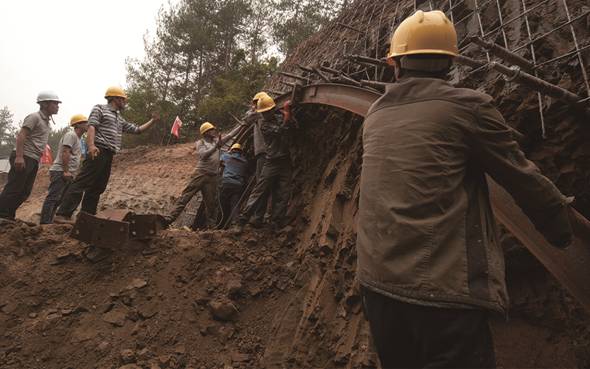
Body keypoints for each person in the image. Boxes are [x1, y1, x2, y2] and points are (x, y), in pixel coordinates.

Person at [357, 10, 573, 369]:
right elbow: (520, 176)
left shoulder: (376, 113)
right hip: (442, 297)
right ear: (450, 63)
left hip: (376, 286)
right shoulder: (468, 106)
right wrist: (560, 227)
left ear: (395, 63)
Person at [53, 86, 160, 222]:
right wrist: (91, 145)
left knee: (97, 187)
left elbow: (136, 130)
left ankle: (87, 217)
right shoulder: (100, 109)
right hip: (98, 150)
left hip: (109, 153)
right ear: (115, 99)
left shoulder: (119, 118)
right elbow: (92, 127)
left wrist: (152, 121)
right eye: (123, 100)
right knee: (82, 182)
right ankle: (63, 214)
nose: (125, 103)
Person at [163, 121, 244, 228]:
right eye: (211, 130)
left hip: (212, 176)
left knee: (211, 204)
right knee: (186, 197)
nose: (214, 131)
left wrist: (243, 125)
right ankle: (169, 219)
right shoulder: (200, 143)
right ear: (205, 133)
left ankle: (211, 227)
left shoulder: (216, 141)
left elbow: (230, 135)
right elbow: (203, 155)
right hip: (200, 174)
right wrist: (216, 147)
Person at [236, 95, 294, 230]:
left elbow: (294, 126)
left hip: (285, 160)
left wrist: (289, 114)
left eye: (267, 111)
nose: (265, 114)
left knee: (284, 192)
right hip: (272, 162)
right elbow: (281, 131)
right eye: (263, 112)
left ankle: (276, 222)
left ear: (273, 109)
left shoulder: (279, 117)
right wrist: (287, 114)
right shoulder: (265, 125)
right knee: (259, 190)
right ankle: (243, 220)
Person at [0, 91, 60, 221]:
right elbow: (22, 135)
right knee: (14, 188)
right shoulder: (34, 117)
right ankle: (2, 215)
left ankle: (8, 215)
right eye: (55, 103)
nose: (57, 106)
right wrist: (19, 157)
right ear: (44, 104)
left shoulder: (46, 122)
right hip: (24, 156)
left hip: (33, 158)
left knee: (25, 191)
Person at [39, 114, 88, 224]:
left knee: (60, 199)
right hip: (60, 171)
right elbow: (65, 152)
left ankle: (49, 221)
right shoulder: (71, 135)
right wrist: (65, 171)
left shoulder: (79, 140)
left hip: (68, 172)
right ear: (78, 124)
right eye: (85, 122)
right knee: (53, 197)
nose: (88, 125)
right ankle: (44, 222)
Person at [219, 143, 249, 227]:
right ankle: (234, 223)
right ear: (241, 152)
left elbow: (220, 162)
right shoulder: (245, 161)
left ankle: (218, 223)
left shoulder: (226, 156)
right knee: (234, 204)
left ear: (232, 150)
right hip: (238, 185)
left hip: (226, 183)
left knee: (221, 204)